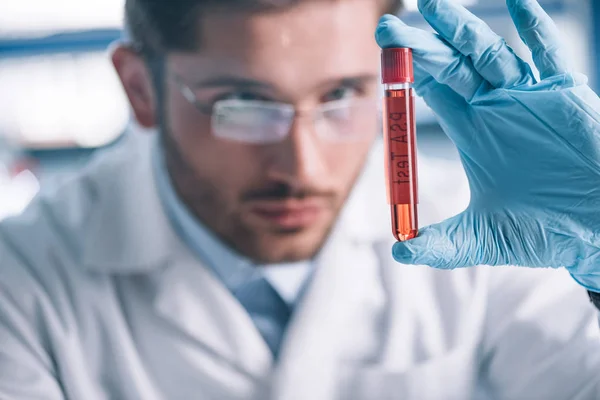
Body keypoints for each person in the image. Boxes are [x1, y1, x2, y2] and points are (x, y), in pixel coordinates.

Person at [1, 0, 600, 399]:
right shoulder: (21, 281)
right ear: (140, 89)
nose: (302, 167)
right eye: (241, 103)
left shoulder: (491, 235)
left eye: (342, 94)